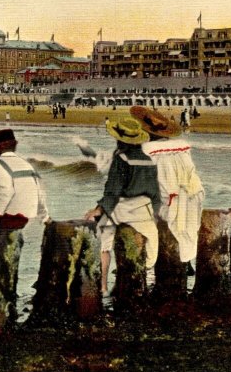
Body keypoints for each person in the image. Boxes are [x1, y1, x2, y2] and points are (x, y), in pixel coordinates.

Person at [0, 129, 51, 331]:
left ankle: (0, 300)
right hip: (25, 217)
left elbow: (5, 191)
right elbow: (40, 193)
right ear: (14, 144)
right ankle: (10, 293)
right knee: (9, 258)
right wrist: (45, 216)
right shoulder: (26, 164)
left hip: (8, 219)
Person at [84, 117, 161, 297]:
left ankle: (102, 287)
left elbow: (113, 190)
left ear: (120, 139)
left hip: (122, 209)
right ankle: (142, 282)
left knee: (104, 240)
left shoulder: (121, 158)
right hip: (144, 211)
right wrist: (155, 214)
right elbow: (155, 193)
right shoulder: (149, 160)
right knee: (149, 244)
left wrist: (98, 210)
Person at [131, 106, 205, 274]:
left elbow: (159, 183)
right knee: (187, 229)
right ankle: (186, 262)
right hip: (194, 194)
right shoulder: (179, 148)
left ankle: (148, 261)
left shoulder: (150, 152)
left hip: (172, 197)